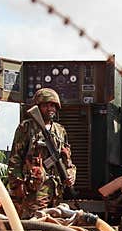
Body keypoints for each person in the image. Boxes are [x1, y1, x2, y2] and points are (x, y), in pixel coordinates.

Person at [7, 87, 77, 219]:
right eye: (46, 105)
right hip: (35, 190)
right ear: (38, 107)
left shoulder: (60, 131)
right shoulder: (27, 127)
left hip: (56, 190)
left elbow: (68, 160)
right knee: (34, 225)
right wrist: (17, 184)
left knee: (54, 224)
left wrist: (70, 174)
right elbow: (15, 159)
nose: (50, 108)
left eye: (53, 105)